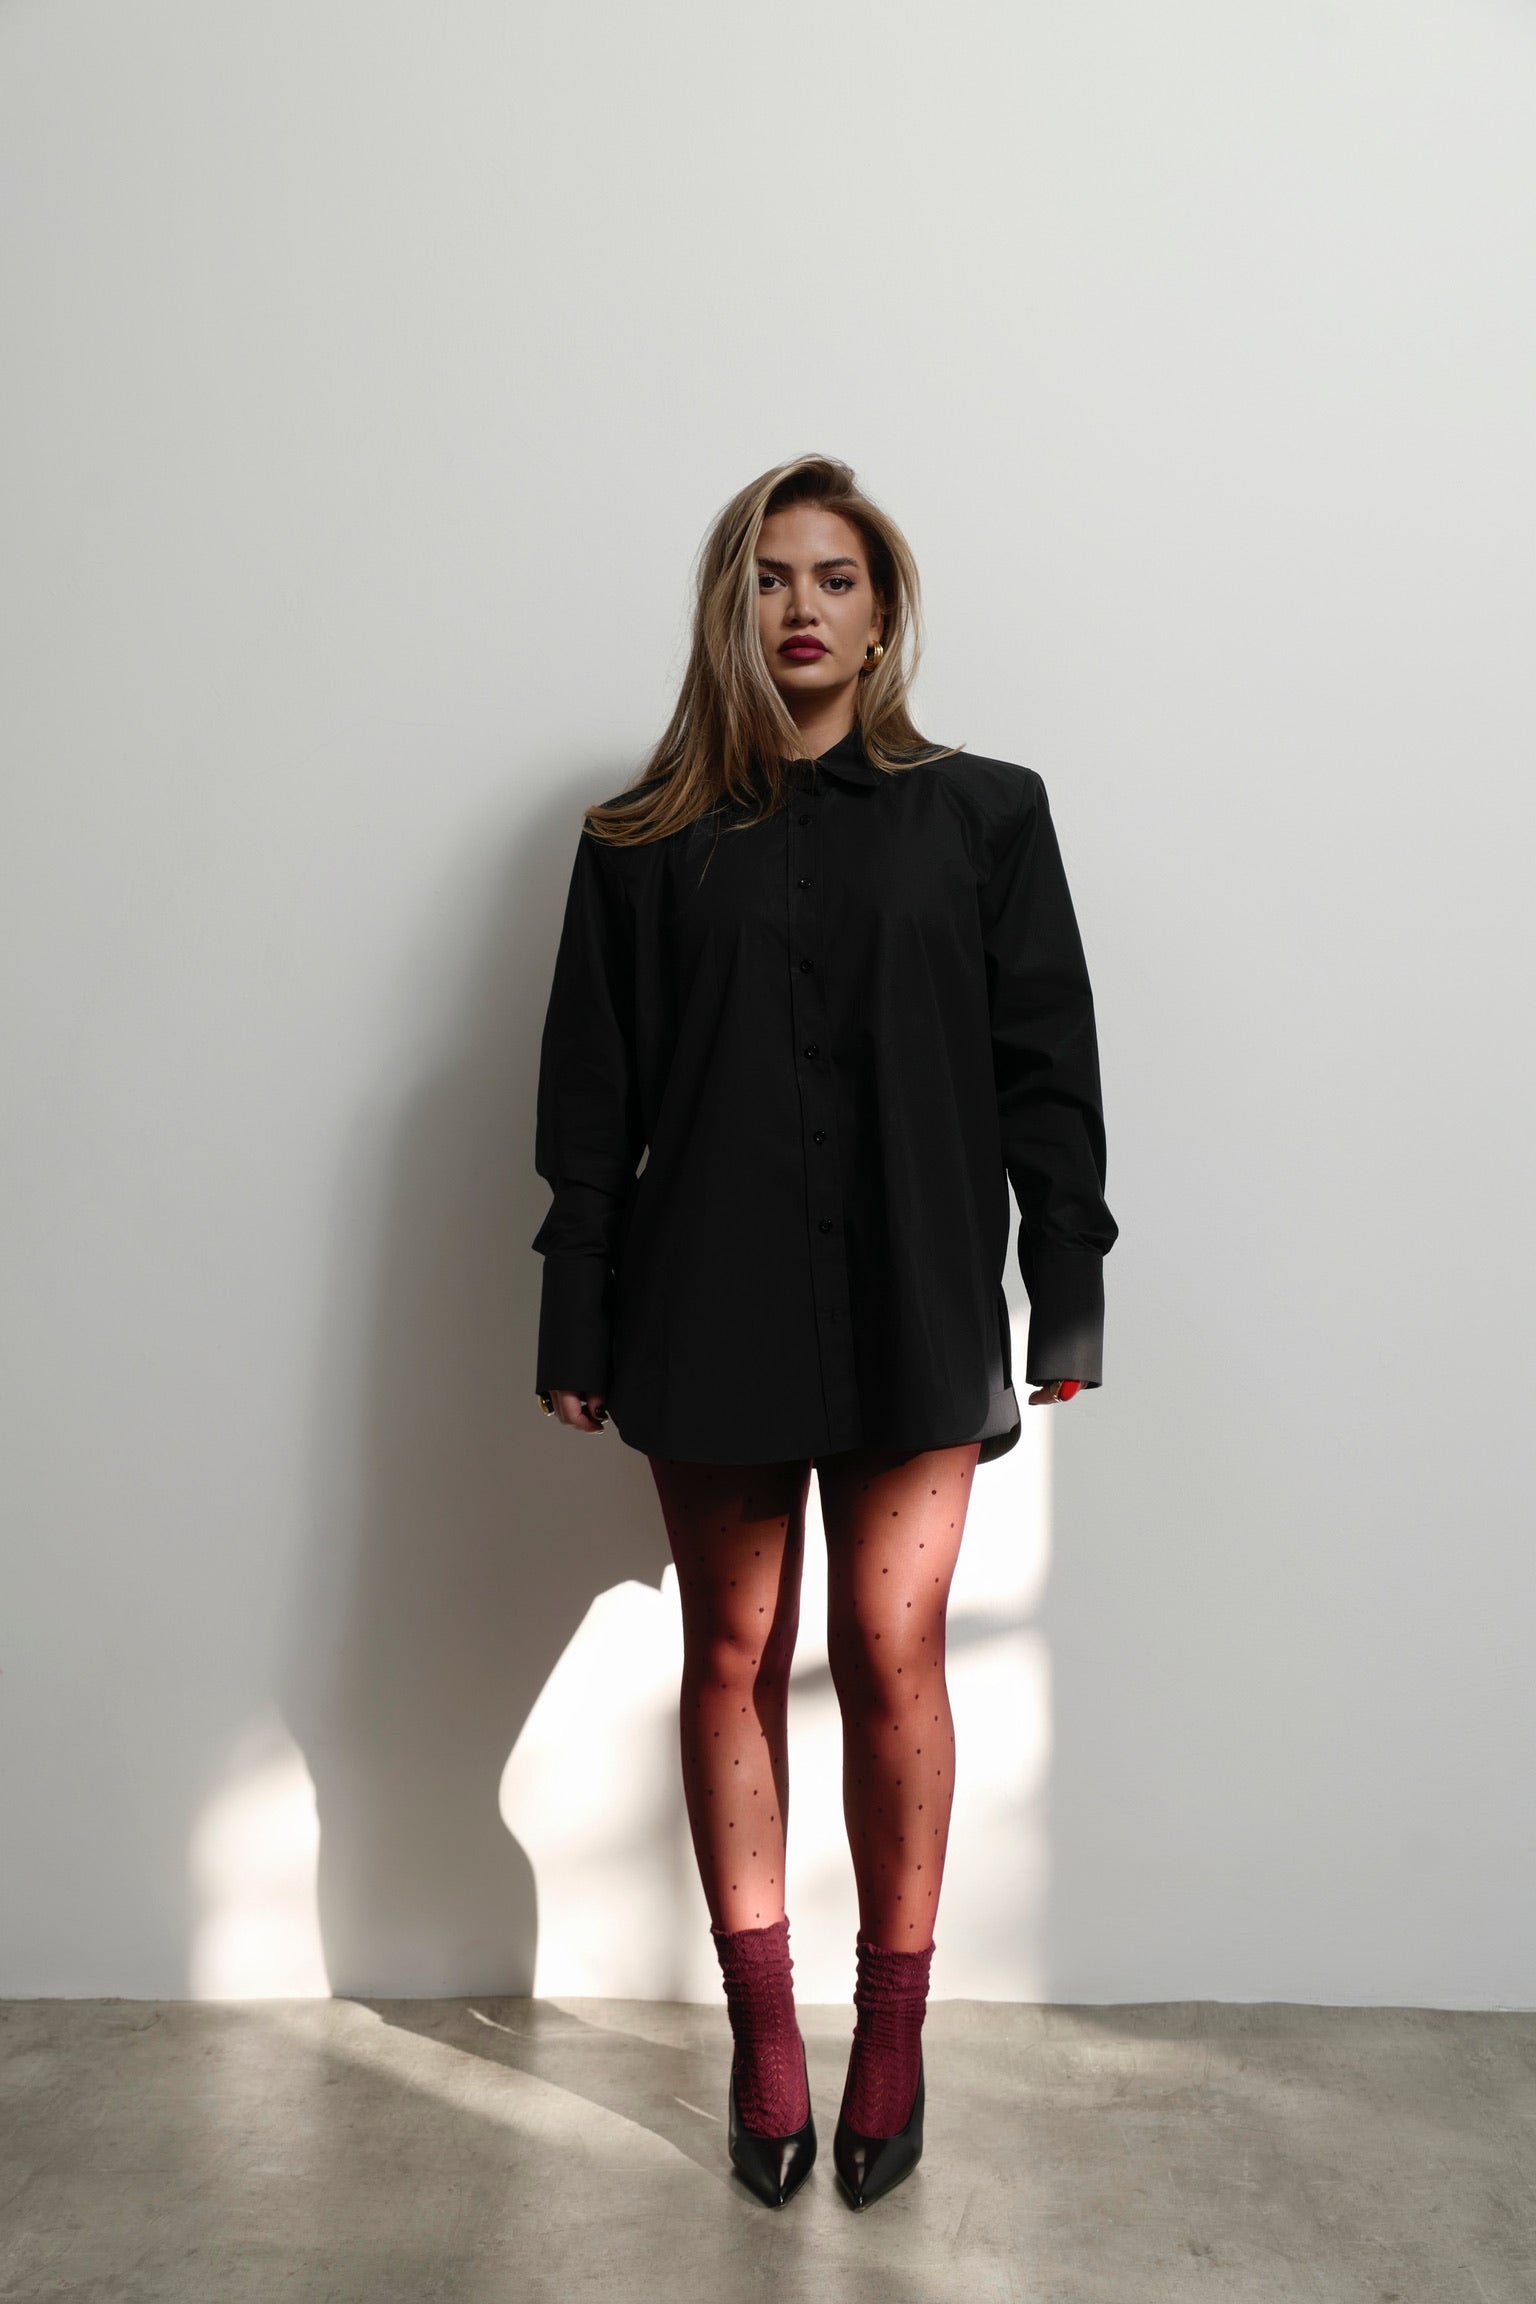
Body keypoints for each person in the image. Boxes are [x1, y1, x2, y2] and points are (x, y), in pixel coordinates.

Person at [529, 453, 1117, 2210]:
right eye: (773, 577)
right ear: (735, 607)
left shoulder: (987, 817)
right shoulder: (637, 844)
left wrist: (1068, 1279)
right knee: (731, 1655)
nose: (804, 606)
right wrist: (576, 1305)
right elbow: (591, 1099)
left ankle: (898, 2031)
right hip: (703, 1299)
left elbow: (1048, 1067)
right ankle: (767, 2037)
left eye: (836, 578)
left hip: (914, 1291)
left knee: (889, 1654)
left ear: (882, 612)